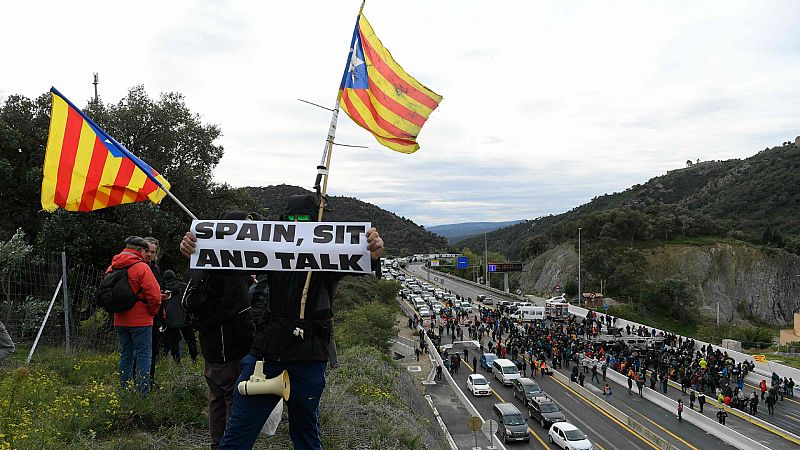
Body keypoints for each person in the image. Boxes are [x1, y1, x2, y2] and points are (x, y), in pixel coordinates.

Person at [180, 194, 384, 450]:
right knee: (237, 434)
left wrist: (373, 253)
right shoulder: (271, 251)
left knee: (305, 431)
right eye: (290, 219)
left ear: (317, 223)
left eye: (304, 219)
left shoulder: (332, 256)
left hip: (310, 356)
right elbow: (227, 261)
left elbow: (361, 259)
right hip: (267, 354)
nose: (296, 223)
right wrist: (196, 249)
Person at [109, 236, 161, 394]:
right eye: (146, 251)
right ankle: (142, 392)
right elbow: (155, 296)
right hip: (141, 320)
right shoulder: (142, 267)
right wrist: (151, 312)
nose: (147, 254)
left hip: (120, 319)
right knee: (144, 355)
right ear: (139, 250)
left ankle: (125, 389)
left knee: (126, 354)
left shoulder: (113, 266)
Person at [142, 237, 167, 386]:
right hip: (145, 314)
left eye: (153, 251)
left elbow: (158, 287)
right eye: (147, 251)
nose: (150, 254)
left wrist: (162, 294)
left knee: (153, 349)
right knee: (143, 352)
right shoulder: (139, 267)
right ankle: (142, 382)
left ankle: (149, 380)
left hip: (156, 313)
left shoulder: (156, 268)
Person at [162, 270, 198, 363]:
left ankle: (177, 361)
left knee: (174, 343)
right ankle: (194, 359)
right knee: (190, 341)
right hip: (184, 318)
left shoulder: (163, 289)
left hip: (170, 321)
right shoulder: (183, 286)